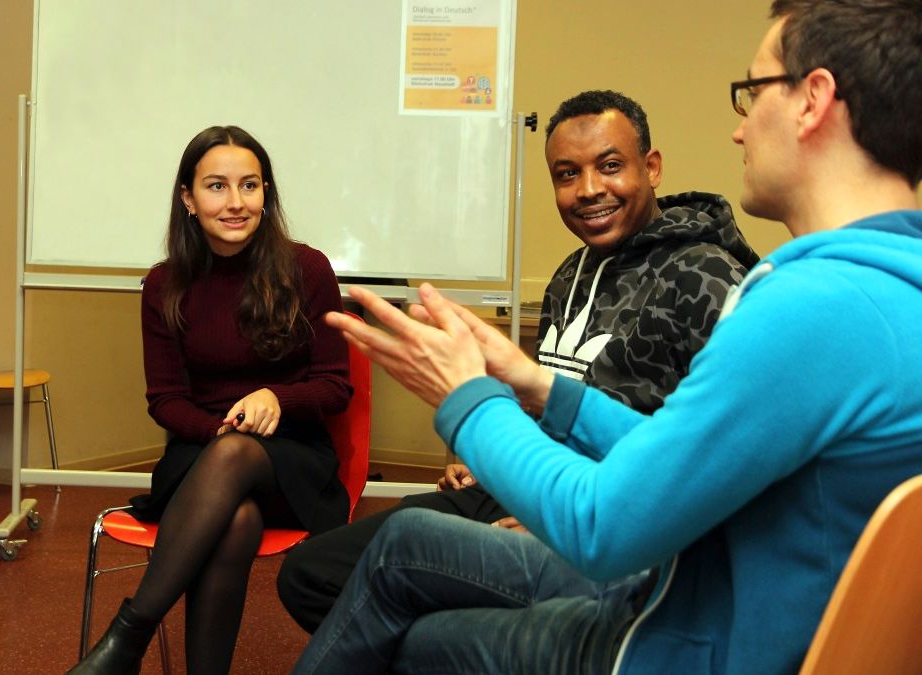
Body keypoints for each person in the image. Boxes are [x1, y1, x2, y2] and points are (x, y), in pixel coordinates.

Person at [295, 0, 922, 672]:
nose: (740, 131)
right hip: (717, 601)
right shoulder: (889, 285)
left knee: (414, 633)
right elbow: (684, 457)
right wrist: (541, 388)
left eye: (752, 91)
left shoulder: (811, 308)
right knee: (414, 606)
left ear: (812, 100)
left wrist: (469, 398)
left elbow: (604, 525)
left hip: (679, 636)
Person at [277, 90, 759, 634]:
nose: (589, 190)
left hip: (602, 520)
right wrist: (490, 454)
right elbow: (548, 397)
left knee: (418, 611)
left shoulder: (706, 278)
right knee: (311, 574)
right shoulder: (568, 274)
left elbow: (710, 456)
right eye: (567, 174)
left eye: (609, 166)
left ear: (651, 168)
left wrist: (559, 521)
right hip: (513, 486)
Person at [70, 126, 353, 675]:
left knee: (239, 457)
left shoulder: (307, 269)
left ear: (266, 193)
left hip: (292, 463)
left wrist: (279, 396)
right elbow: (166, 400)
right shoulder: (165, 284)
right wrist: (215, 432)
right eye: (217, 186)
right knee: (236, 518)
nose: (236, 202)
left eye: (250, 185)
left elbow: (335, 387)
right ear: (188, 198)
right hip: (200, 455)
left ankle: (129, 636)